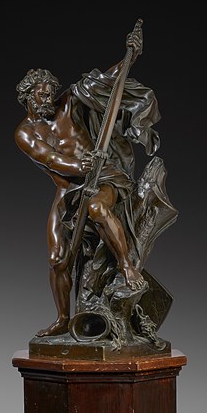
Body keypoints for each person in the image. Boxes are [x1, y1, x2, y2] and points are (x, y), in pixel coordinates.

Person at [14, 27, 150, 337]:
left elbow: (107, 82)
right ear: (28, 96)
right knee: (57, 259)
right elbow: (49, 159)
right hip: (68, 190)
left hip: (104, 176)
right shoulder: (25, 132)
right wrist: (79, 165)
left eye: (51, 92)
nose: (49, 98)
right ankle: (64, 318)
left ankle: (127, 266)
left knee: (98, 209)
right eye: (42, 93)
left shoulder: (69, 104)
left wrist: (130, 57)